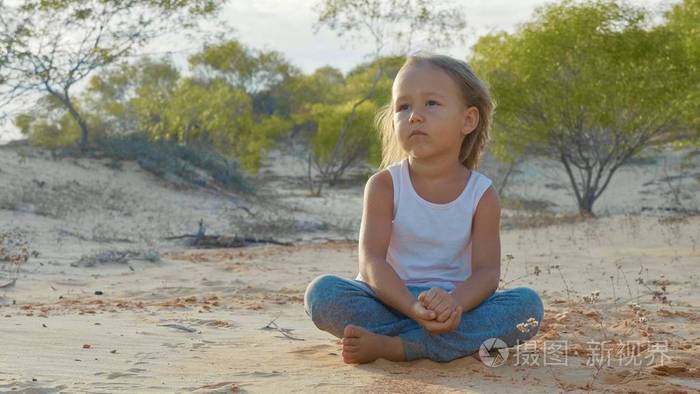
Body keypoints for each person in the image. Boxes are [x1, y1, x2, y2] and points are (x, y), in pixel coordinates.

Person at [304, 52, 544, 364]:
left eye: (431, 103)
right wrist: (412, 308)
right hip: (388, 299)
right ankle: (431, 342)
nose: (415, 115)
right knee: (322, 294)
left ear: (468, 120)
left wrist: (454, 303)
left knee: (527, 307)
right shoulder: (384, 186)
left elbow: (486, 273)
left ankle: (398, 346)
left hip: (455, 308)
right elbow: (372, 263)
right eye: (403, 107)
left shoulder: (481, 194)